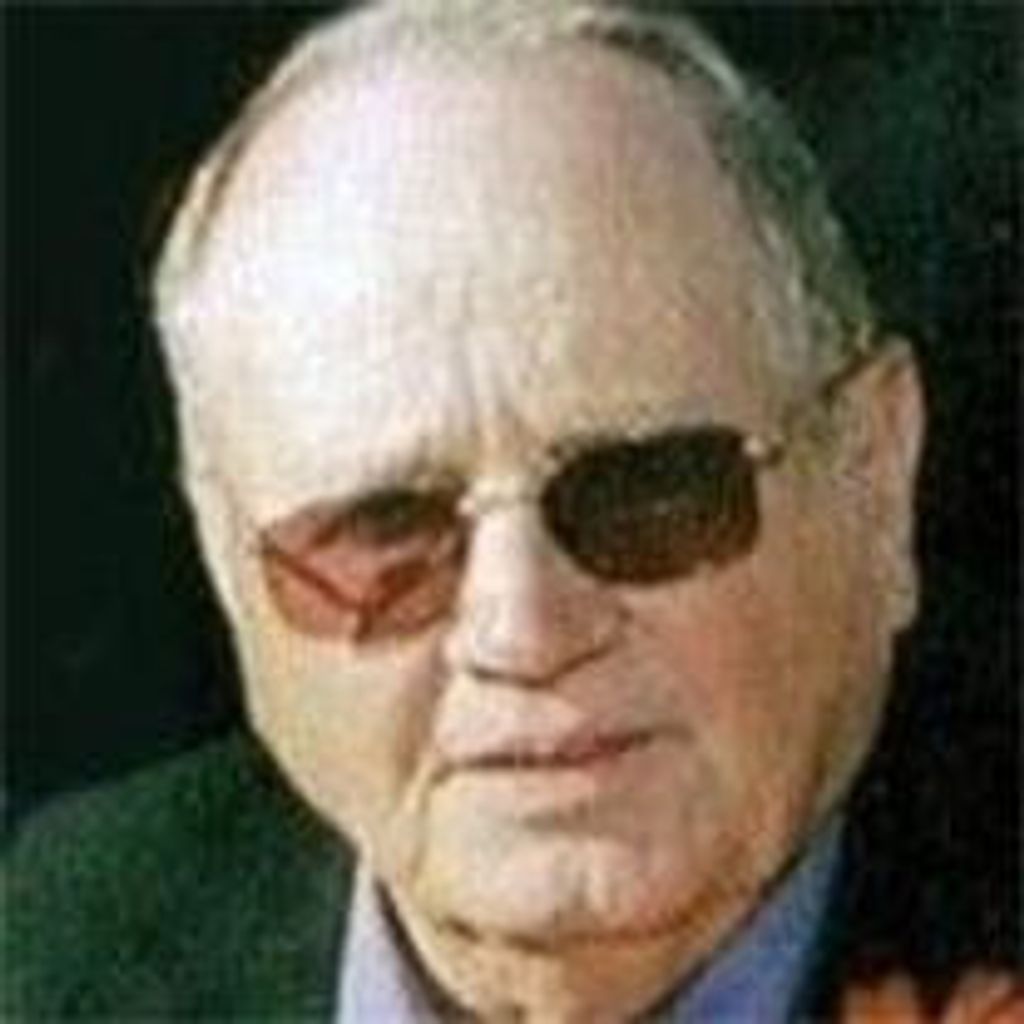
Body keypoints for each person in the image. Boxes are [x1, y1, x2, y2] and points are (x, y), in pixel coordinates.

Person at [5, 2, 1020, 1020]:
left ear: (873, 479)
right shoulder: (50, 954)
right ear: (227, 565)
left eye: (641, 492)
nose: (522, 631)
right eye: (385, 533)